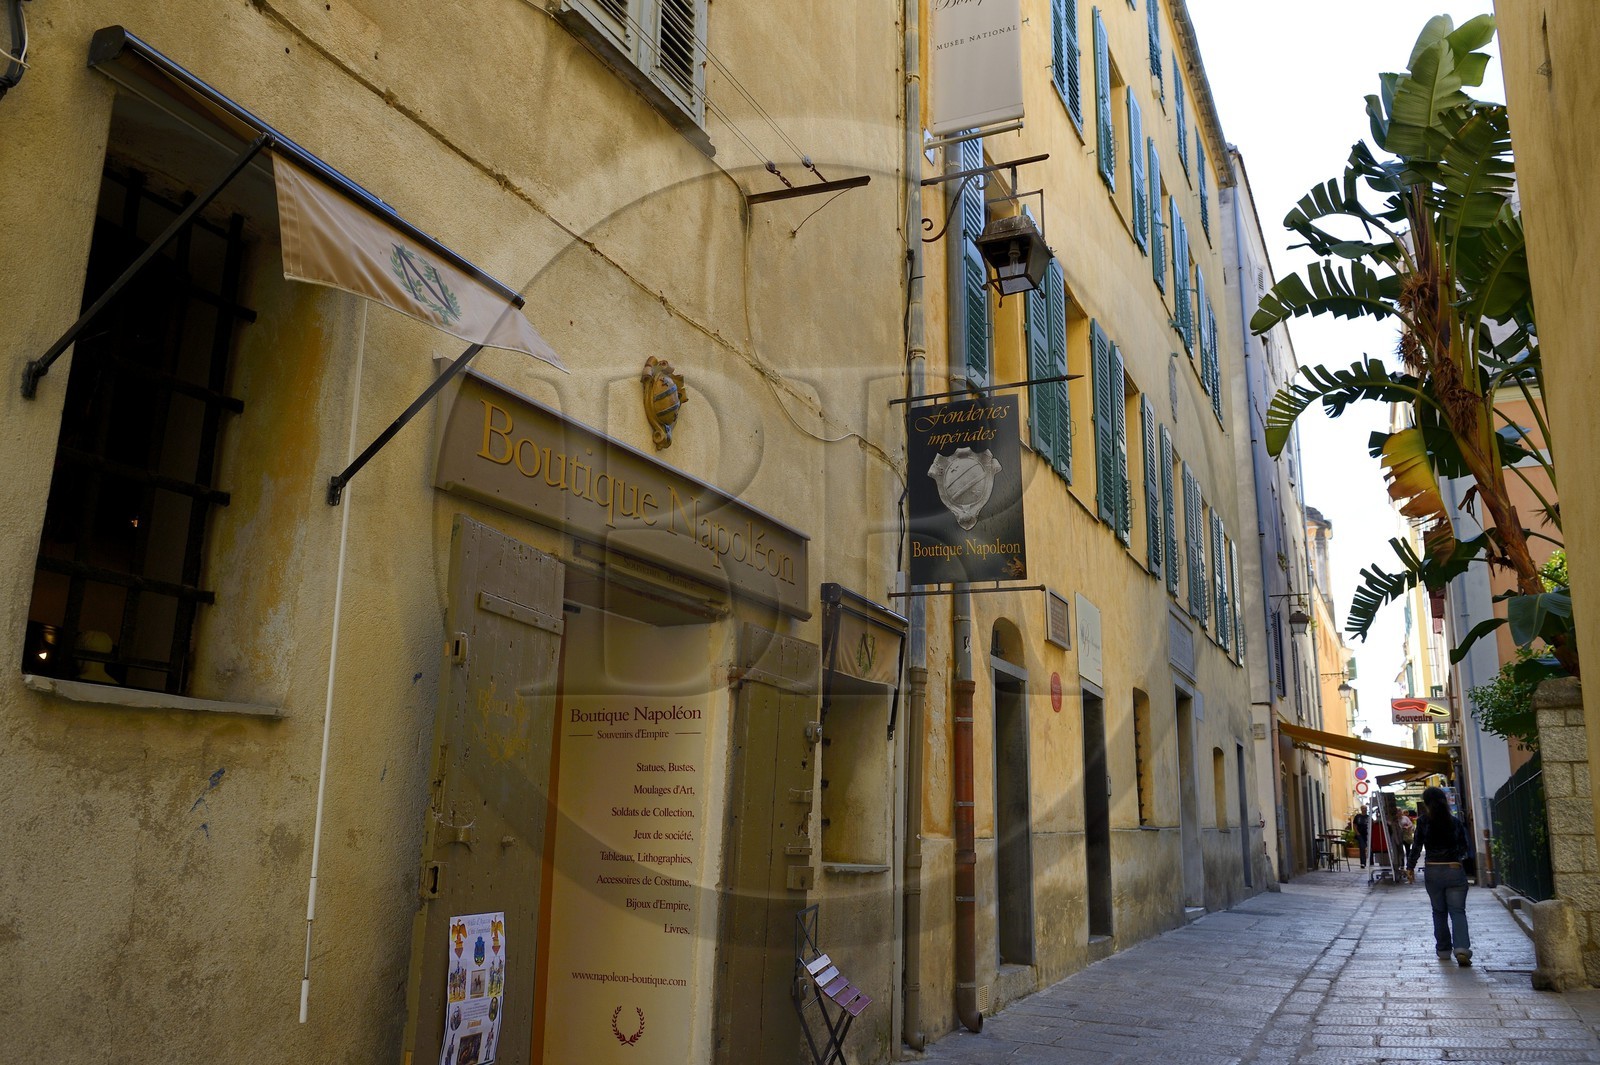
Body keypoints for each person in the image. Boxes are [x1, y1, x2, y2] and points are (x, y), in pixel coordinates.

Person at [1405, 786, 1473, 965]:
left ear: (1426, 804)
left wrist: (1410, 867)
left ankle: (1443, 950)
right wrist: (1455, 857)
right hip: (1453, 868)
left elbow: (1417, 846)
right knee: (1458, 911)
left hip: (1433, 870)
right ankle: (1462, 949)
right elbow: (1465, 847)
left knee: (1439, 911)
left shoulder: (1423, 822)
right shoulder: (1455, 822)